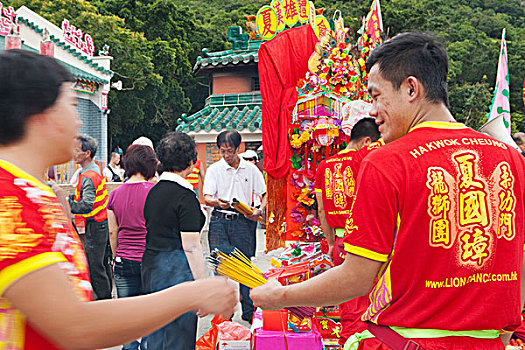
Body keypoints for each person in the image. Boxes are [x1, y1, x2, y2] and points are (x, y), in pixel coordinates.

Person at [251, 32, 525, 350]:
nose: (373, 110)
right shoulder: (511, 158)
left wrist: (281, 295)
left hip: (405, 341)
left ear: (411, 88)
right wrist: (501, 334)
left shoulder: (388, 161)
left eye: (377, 95)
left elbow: (357, 277)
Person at [0, 49, 237, 350]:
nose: (78, 122)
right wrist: (190, 294)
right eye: (70, 105)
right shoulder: (10, 200)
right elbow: (74, 325)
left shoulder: (35, 192)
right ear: (39, 116)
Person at [314, 118, 380, 346]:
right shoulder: (366, 159)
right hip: (368, 239)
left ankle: (348, 342)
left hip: (341, 240)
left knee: (348, 301)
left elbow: (322, 210)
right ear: (368, 141)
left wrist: (331, 242)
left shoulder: (323, 166)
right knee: (372, 299)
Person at [141, 132, 208, 349]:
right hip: (176, 274)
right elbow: (191, 246)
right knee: (179, 338)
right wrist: (202, 287)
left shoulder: (154, 192)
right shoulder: (184, 196)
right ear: (191, 162)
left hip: (152, 269)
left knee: (156, 334)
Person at [203, 130, 266, 324]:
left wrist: (259, 211)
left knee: (245, 266)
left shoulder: (251, 169)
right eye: (222, 151)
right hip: (220, 220)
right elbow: (207, 197)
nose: (226, 155)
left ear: (238, 148)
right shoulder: (215, 169)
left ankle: (249, 311)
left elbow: (264, 193)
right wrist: (216, 202)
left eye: (229, 151)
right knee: (220, 267)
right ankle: (224, 313)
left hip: (243, 220)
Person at [107, 144, 158, 350]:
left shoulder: (115, 194)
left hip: (123, 259)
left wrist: (114, 257)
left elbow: (112, 232)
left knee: (128, 315)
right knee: (151, 313)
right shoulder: (156, 192)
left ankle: (129, 347)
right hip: (150, 260)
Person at [69, 134, 113, 300]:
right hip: (100, 222)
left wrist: (68, 204)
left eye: (76, 150)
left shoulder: (88, 175)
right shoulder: (93, 170)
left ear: (87, 153)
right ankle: (107, 299)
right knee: (101, 264)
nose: (73, 153)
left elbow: (86, 205)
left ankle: (103, 302)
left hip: (94, 224)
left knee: (95, 268)